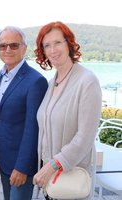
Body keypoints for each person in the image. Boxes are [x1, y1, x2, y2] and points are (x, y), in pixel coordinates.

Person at [32, 21, 102, 199]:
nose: (53, 50)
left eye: (57, 43)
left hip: (69, 180)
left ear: (69, 44)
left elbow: (85, 137)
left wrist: (53, 165)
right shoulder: (52, 82)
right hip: (50, 181)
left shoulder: (87, 81)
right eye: (47, 45)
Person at [0, 26, 48, 200]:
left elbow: (33, 128)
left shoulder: (36, 81)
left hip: (20, 164)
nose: (8, 50)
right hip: (3, 158)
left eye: (14, 45)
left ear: (24, 48)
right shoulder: (0, 75)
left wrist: (22, 167)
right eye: (3, 46)